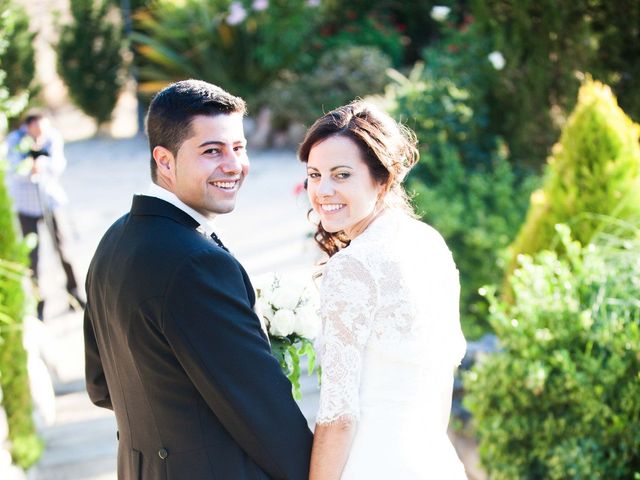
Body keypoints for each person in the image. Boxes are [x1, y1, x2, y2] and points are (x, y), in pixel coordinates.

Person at [83, 79, 313, 479]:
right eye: (212, 151)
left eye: (238, 147)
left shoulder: (114, 240)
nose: (233, 165)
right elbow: (263, 414)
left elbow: (102, 385)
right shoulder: (197, 264)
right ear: (165, 160)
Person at [299, 100, 468, 479]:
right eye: (314, 175)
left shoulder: (353, 266)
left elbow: (338, 416)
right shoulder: (429, 242)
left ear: (382, 178)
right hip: (432, 459)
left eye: (341, 175)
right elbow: (444, 380)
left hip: (370, 463)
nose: (323, 190)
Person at [6, 112, 85, 320]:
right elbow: (12, 168)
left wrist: (43, 164)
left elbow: (59, 163)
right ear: (28, 127)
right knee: (33, 257)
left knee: (63, 249)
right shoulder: (15, 140)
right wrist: (28, 169)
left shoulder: (52, 136)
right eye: (37, 130)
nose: (41, 134)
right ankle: (38, 302)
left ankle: (74, 293)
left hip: (50, 201)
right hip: (26, 205)